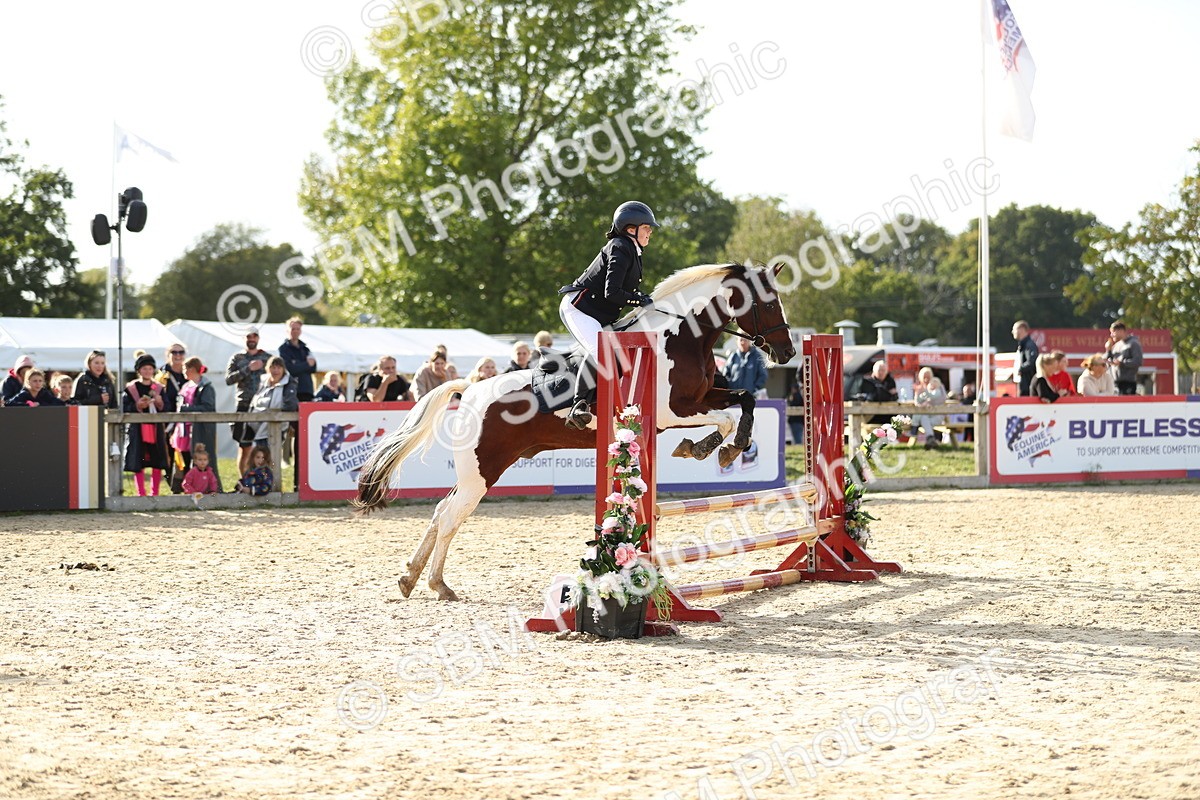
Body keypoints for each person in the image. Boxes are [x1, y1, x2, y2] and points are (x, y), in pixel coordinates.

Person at [558, 201, 660, 428]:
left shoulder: (633, 250)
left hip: (599, 314)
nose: (650, 231)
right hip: (579, 309)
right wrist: (639, 300)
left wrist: (645, 299)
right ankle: (578, 405)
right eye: (646, 227)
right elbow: (612, 291)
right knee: (600, 349)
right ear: (630, 228)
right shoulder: (620, 246)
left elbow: (623, 290)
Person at [225, 327, 271, 477]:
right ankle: (244, 481)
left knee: (264, 447)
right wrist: (247, 369)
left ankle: (263, 480)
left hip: (263, 405)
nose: (251, 339)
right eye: (249, 336)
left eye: (254, 336)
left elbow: (279, 376)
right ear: (244, 338)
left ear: (258, 338)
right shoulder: (237, 358)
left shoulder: (267, 358)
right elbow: (228, 379)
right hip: (244, 404)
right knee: (245, 446)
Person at [123, 352, 168, 497]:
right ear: (138, 370)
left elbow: (167, 407)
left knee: (157, 460)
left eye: (150, 368)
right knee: (139, 461)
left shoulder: (159, 388)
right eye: (144, 368)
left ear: (154, 370)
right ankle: (141, 493)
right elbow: (125, 406)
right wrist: (137, 405)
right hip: (138, 429)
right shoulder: (131, 388)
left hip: (155, 429)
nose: (147, 371)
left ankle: (155, 493)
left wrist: (159, 401)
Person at [179, 356, 220, 489]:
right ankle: (192, 487)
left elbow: (208, 407)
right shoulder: (186, 386)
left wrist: (187, 409)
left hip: (203, 428)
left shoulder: (206, 387)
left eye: (185, 368)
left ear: (192, 369)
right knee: (191, 458)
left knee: (204, 458)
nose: (183, 371)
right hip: (187, 428)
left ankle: (212, 488)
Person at [249, 356, 298, 459]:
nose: (275, 371)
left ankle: (271, 475)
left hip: (275, 427)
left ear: (283, 369)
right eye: (273, 367)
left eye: (279, 367)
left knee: (270, 458)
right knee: (256, 459)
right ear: (268, 368)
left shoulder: (289, 384)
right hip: (255, 426)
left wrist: (275, 414)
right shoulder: (262, 382)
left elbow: (291, 405)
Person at [157, 343, 189, 493]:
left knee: (187, 452)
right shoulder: (161, 374)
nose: (177, 355)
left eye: (181, 352)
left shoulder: (189, 372)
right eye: (174, 352)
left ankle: (188, 484)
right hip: (168, 420)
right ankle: (173, 486)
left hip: (186, 419)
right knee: (169, 453)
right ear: (167, 354)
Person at [912, 367, 948, 449]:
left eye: (928, 376)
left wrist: (929, 402)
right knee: (924, 418)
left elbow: (942, 399)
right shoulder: (919, 389)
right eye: (924, 376)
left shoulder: (939, 386)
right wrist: (922, 404)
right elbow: (916, 402)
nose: (926, 379)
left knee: (923, 419)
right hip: (926, 415)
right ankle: (931, 439)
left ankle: (930, 439)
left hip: (937, 415)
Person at [1105, 321, 1143, 395]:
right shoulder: (1116, 346)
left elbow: (1138, 361)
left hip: (1128, 383)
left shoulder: (1133, 343)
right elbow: (1109, 361)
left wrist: (1122, 363)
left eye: (1113, 332)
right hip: (1115, 384)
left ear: (1121, 331)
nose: (1111, 335)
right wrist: (1108, 350)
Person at [1012, 320, 1039, 397]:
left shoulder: (1029, 345)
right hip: (1024, 385)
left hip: (1027, 386)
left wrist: (1020, 369)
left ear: (1022, 329)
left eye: (1014, 329)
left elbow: (1031, 362)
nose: (1012, 332)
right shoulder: (1024, 345)